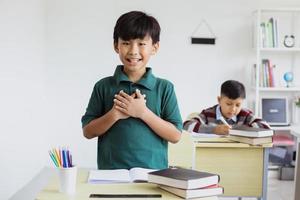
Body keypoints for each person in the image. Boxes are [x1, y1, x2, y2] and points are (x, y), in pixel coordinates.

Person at [81, 11, 182, 170]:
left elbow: (176, 135)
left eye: (141, 44)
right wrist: (115, 114)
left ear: (154, 47)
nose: (133, 51)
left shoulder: (165, 88)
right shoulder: (103, 86)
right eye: (126, 43)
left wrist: (143, 113)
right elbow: (87, 132)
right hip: (110, 174)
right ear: (116, 46)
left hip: (154, 175)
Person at [183, 80, 270, 135]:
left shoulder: (245, 115)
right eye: (228, 104)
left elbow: (265, 126)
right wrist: (213, 129)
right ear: (219, 100)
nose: (233, 109)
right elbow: (186, 125)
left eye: (238, 105)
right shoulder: (208, 114)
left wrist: (238, 130)